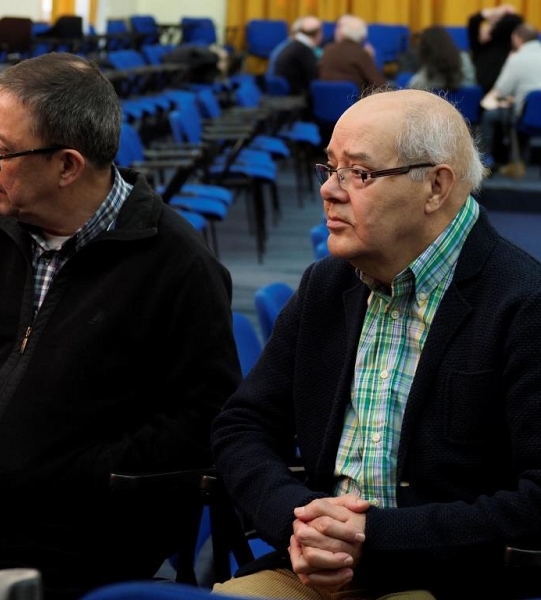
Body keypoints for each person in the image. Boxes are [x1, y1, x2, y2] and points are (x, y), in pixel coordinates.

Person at [211, 87, 541, 600]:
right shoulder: (328, 284)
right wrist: (296, 520)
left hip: (451, 578)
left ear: (435, 186)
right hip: (313, 563)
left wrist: (376, 537)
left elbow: (536, 499)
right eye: (330, 168)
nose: (329, 190)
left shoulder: (523, 303)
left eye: (359, 173)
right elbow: (242, 425)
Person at [0, 52, 242, 599]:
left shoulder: (179, 270)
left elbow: (202, 423)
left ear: (67, 166)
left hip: (70, 538)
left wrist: (75, 474)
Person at [479, 22, 541, 176]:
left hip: (526, 115)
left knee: (489, 116)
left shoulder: (517, 59)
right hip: (533, 110)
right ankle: (519, 160)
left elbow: (500, 90)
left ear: (519, 39)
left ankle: (486, 163)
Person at [319, 14, 386, 92]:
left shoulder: (328, 49)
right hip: (354, 101)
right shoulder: (361, 54)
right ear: (363, 36)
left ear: (342, 33)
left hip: (325, 101)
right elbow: (380, 85)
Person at [467, 3, 523, 94]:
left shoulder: (503, 42)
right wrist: (493, 12)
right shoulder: (477, 46)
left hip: (500, 88)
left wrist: (492, 28)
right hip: (481, 86)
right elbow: (473, 21)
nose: (484, 30)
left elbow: (516, 21)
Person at [407, 25, 476, 91]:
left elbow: (413, 88)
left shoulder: (421, 80)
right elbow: (472, 85)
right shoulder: (464, 59)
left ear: (424, 48)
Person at [269, 15, 323, 98]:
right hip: (295, 98)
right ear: (317, 34)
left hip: (281, 96)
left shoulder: (288, 45)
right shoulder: (304, 50)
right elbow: (314, 78)